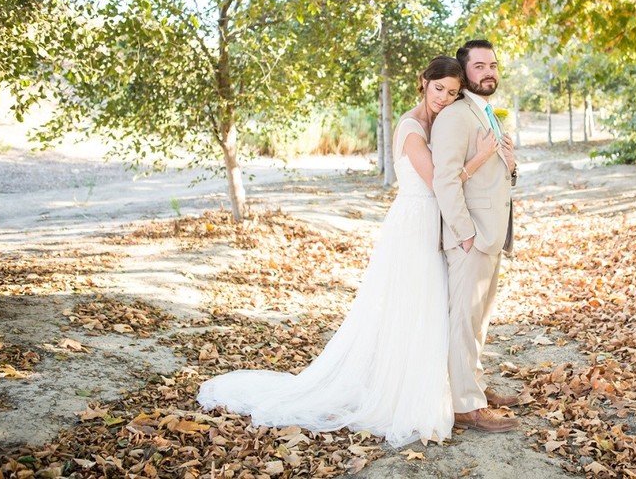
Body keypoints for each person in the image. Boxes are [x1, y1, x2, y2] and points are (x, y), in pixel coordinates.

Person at [196, 56, 499, 447]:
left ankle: (427, 385)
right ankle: (395, 394)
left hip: (431, 222)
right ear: (423, 82)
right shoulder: (410, 127)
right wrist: (480, 158)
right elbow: (439, 181)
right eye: (438, 88)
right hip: (414, 223)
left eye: (452, 93)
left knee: (428, 308)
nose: (443, 97)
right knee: (412, 305)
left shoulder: (437, 123)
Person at [431, 39, 520, 433]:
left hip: (492, 234)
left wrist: (512, 167)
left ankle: (476, 389)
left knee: (480, 320)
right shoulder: (456, 115)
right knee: (464, 321)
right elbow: (444, 178)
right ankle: (464, 405)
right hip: (470, 237)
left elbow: (494, 174)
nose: (489, 72)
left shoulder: (489, 114)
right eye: (480, 66)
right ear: (464, 71)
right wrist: (465, 234)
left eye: (493, 65)